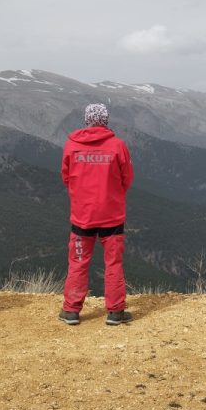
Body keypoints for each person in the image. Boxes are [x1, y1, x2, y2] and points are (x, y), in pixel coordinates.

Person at [59, 103, 134, 326]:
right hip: (111, 215)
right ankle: (115, 312)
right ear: (106, 120)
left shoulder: (71, 146)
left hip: (83, 216)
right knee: (113, 263)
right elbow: (127, 178)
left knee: (78, 262)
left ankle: (71, 311)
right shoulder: (117, 146)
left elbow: (66, 177)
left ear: (87, 120)